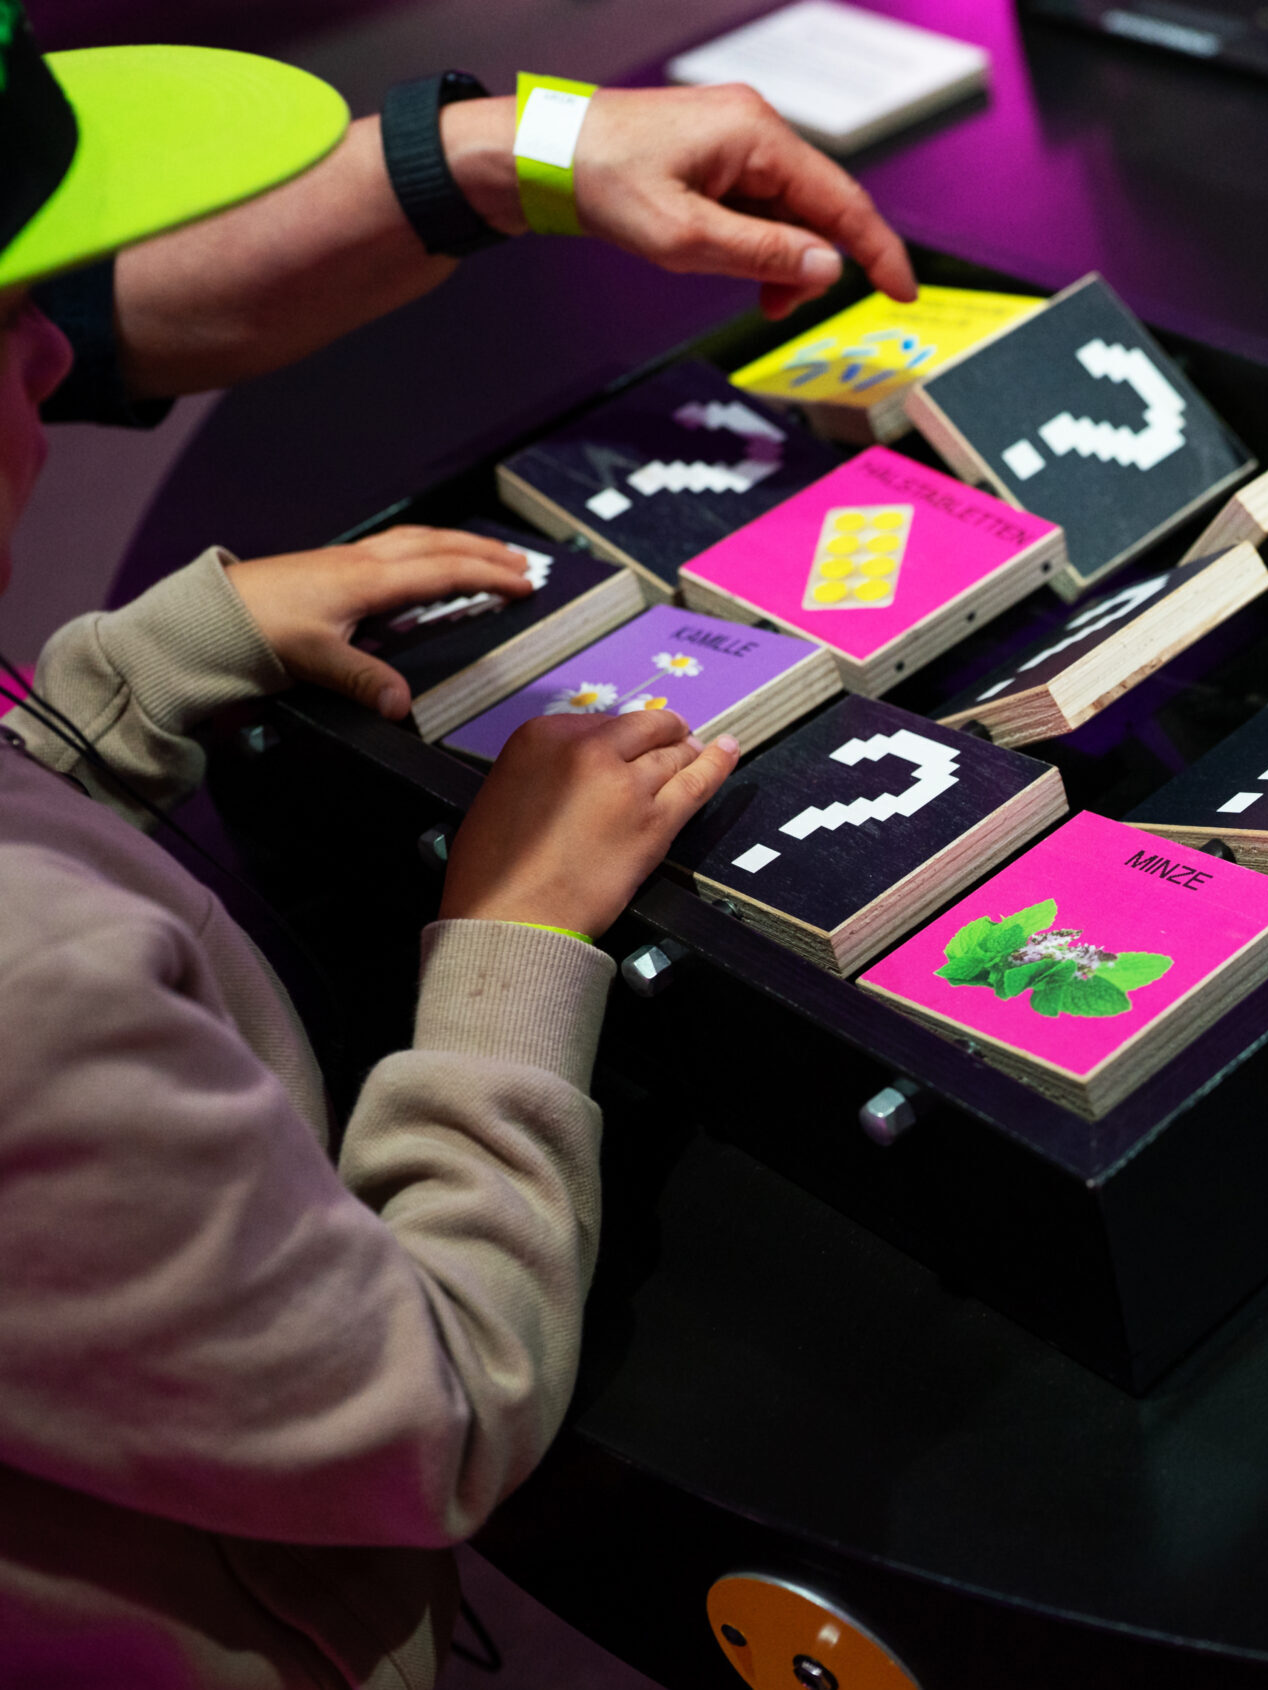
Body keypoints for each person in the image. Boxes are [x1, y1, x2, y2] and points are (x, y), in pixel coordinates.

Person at [0, 13, 913, 1686]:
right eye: (0, 326)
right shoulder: (31, 998)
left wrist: (122, 678)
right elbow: (426, 1412)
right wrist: (514, 932)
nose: (56, 351)